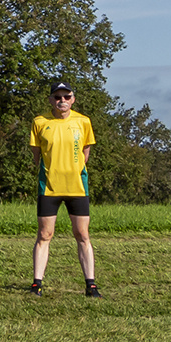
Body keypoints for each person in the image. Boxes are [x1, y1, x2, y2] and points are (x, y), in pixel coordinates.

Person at [29, 81, 99, 297]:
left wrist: (75, 169)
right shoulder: (40, 122)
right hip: (49, 187)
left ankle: (91, 284)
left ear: (73, 99)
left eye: (66, 97)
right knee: (44, 234)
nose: (62, 101)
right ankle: (36, 283)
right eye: (57, 97)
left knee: (82, 234)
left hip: (77, 186)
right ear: (51, 99)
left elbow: (86, 151)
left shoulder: (83, 121)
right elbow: (36, 153)